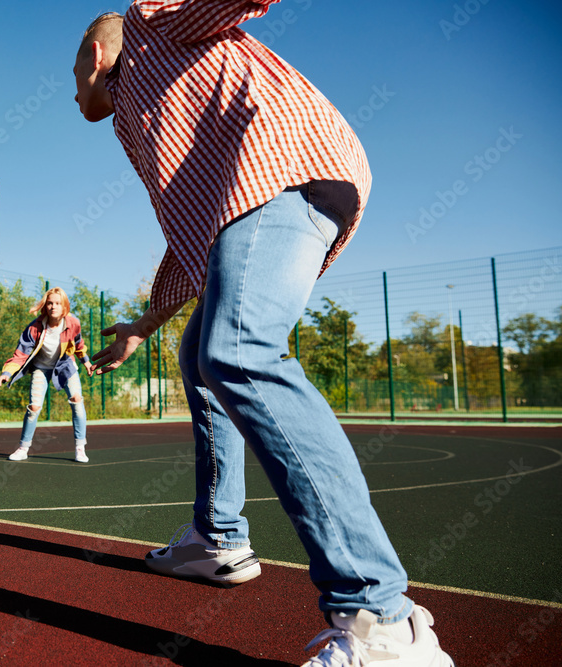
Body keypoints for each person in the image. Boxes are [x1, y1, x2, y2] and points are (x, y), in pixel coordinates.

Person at [73, 5, 454, 666]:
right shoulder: (141, 115)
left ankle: (383, 620)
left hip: (285, 168)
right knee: (204, 352)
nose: (72, 86)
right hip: (266, 195)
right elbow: (194, 234)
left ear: (95, 57)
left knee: (239, 350)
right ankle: (216, 537)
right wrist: (144, 325)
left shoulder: (146, 25)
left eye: (72, 70)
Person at [0, 287, 94, 463]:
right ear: (45, 306)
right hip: (41, 368)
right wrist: (6, 373)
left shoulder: (73, 323)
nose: (53, 307)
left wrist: (86, 361)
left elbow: (78, 344)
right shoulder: (35, 327)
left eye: (57, 303)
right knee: (34, 407)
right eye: (50, 303)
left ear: (65, 307)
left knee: (77, 400)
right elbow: (20, 353)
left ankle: (80, 448)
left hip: (65, 366)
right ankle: (23, 448)